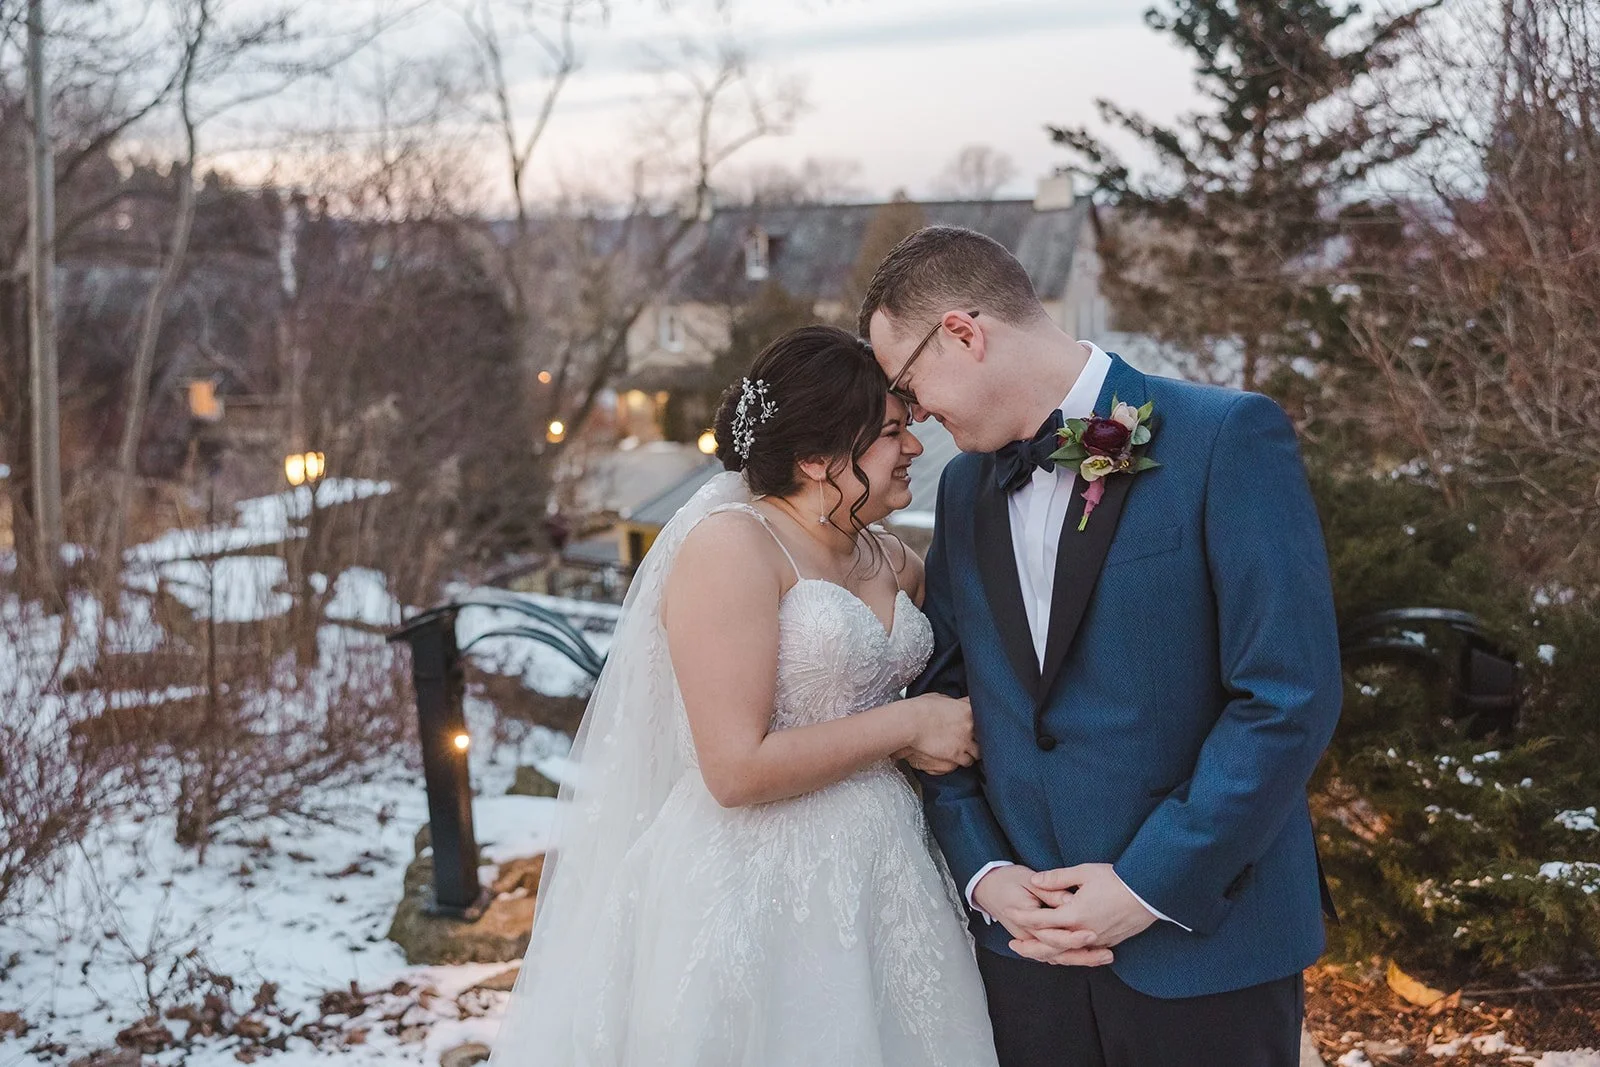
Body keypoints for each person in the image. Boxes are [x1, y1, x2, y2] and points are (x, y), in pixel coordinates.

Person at [860, 226, 1342, 1067]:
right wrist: (985, 876)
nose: (913, 415)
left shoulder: (1226, 438)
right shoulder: (968, 486)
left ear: (965, 334)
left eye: (907, 381)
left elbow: (1287, 696)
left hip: (1207, 946)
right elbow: (942, 702)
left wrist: (1149, 882)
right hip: (1025, 960)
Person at [490, 325, 1000, 1067]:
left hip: (888, 875)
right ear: (817, 458)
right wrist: (908, 722)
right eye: (891, 433)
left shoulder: (887, 554)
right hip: (756, 887)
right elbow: (734, 769)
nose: (915, 448)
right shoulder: (733, 547)